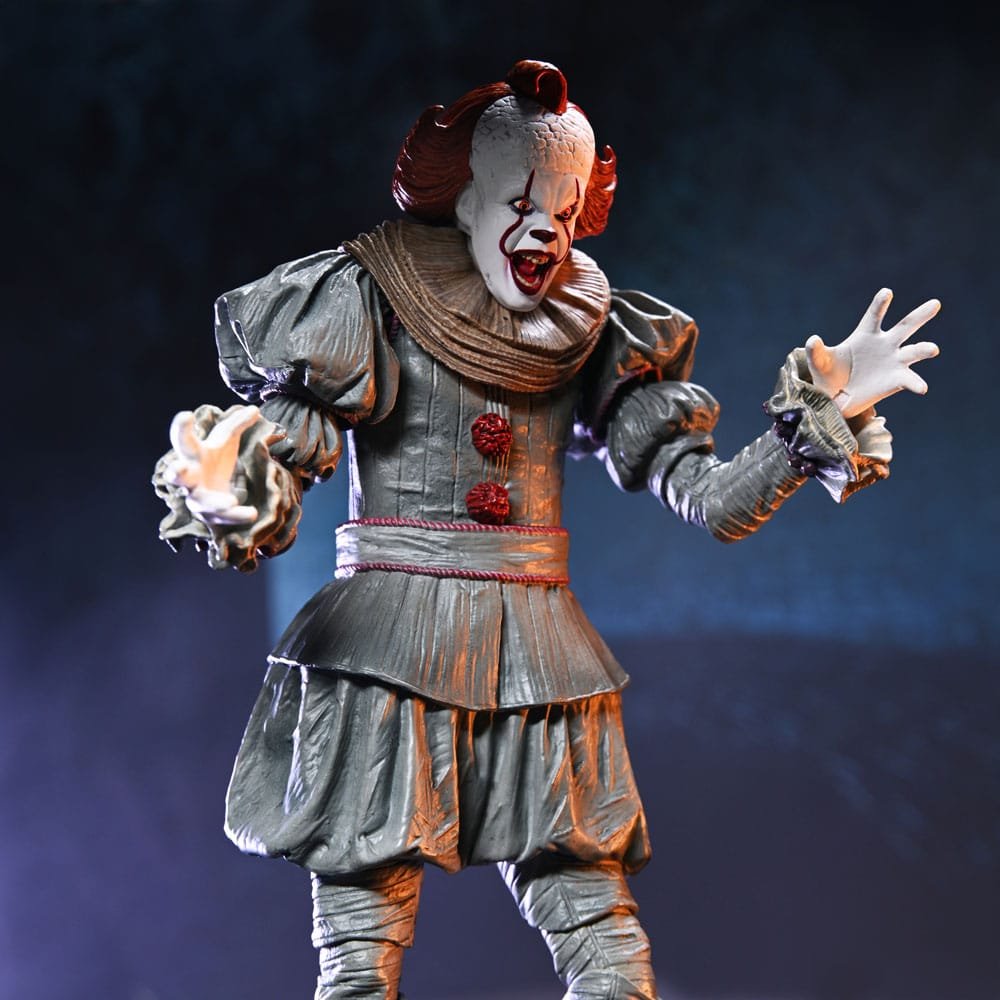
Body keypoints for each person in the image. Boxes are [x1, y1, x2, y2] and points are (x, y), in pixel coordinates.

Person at [154, 59, 939, 1000]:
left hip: (537, 655)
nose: (544, 231)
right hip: (386, 650)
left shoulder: (592, 328)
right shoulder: (370, 302)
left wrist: (812, 426)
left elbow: (713, 499)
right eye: (521, 202)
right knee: (359, 953)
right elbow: (287, 457)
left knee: (605, 946)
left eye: (564, 212)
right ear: (465, 197)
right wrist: (233, 488)